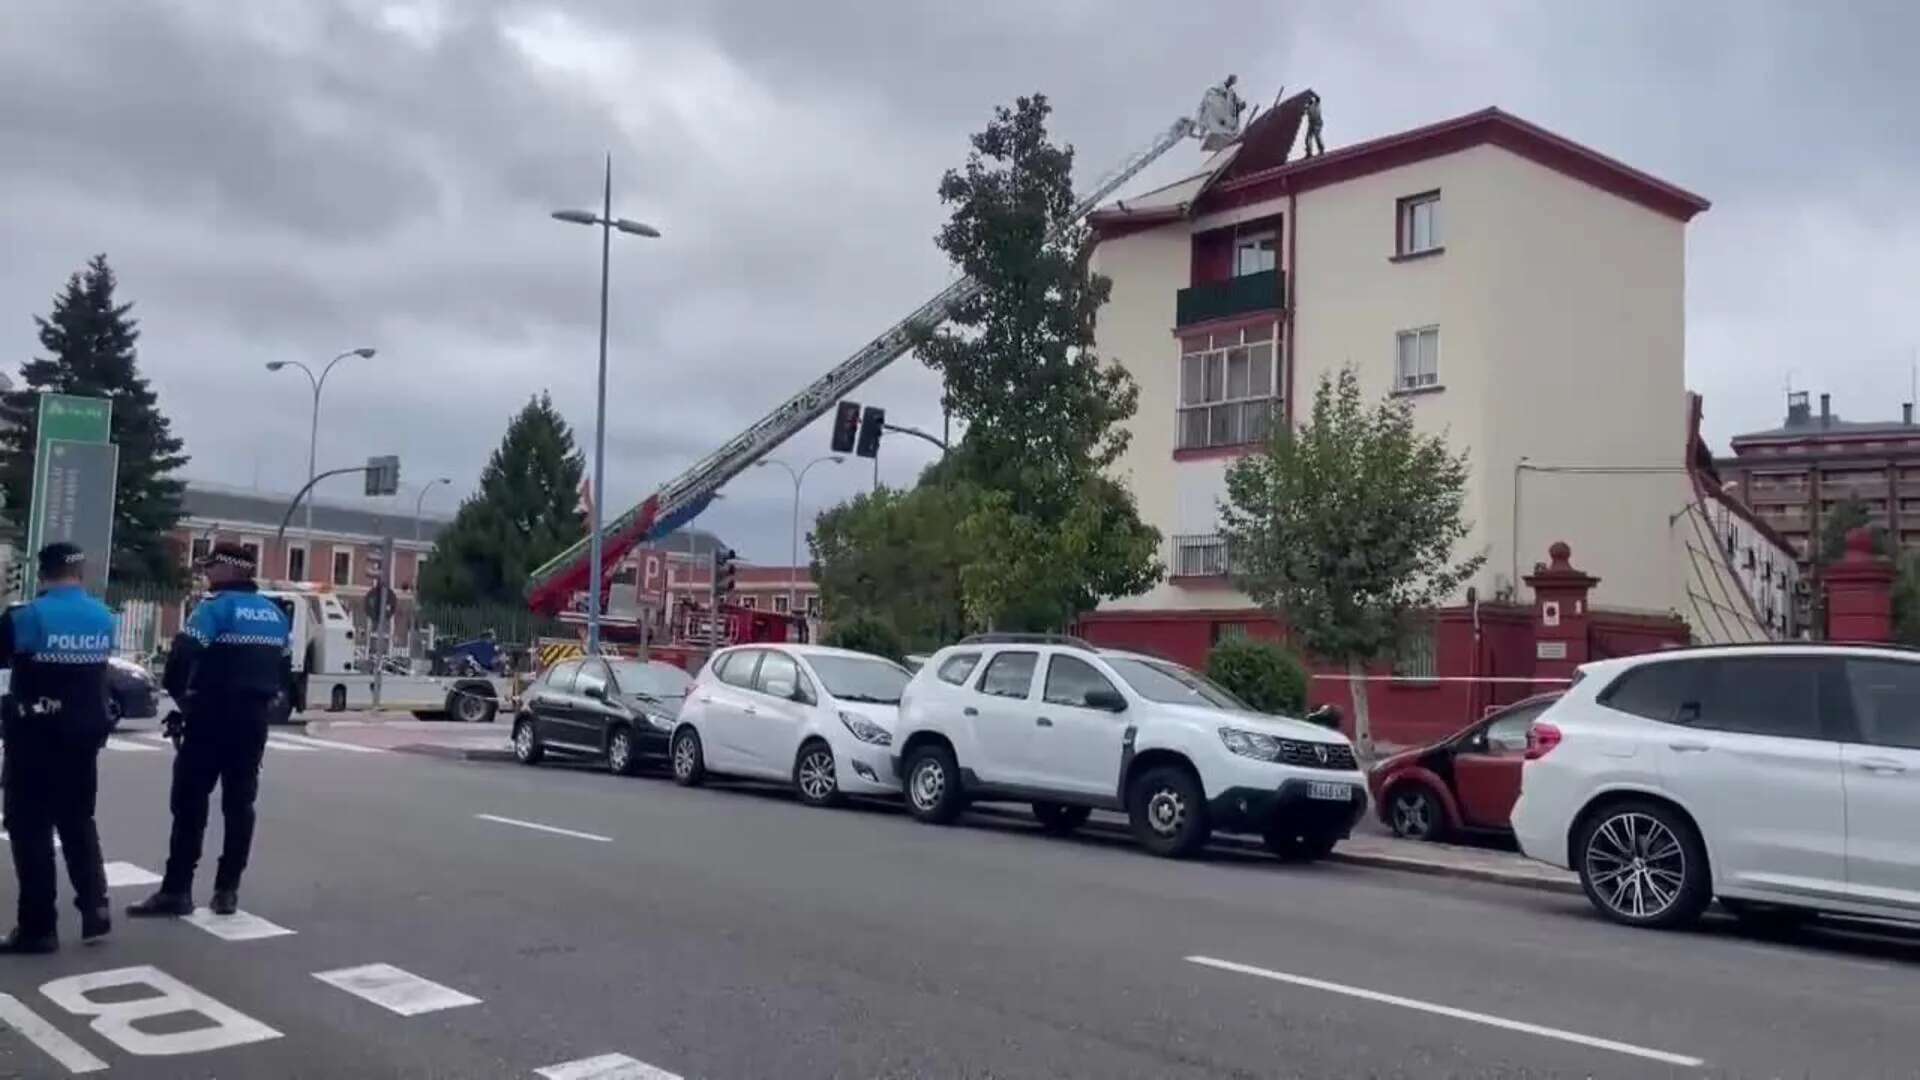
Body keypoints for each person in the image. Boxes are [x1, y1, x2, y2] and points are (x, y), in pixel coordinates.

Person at [129, 542, 291, 919]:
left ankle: (177, 890)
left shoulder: (215, 609)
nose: (206, 572)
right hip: (252, 723)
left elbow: (182, 655)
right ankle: (227, 891)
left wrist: (183, 698)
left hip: (210, 716)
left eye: (211, 566)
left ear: (230, 570)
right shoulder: (274, 615)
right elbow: (283, 671)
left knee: (189, 802)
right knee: (240, 804)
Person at [0, 542, 115, 953]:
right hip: (83, 738)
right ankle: (95, 909)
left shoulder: (28, 616)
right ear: (80, 573)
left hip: (34, 738)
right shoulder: (104, 618)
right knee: (79, 822)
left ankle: (38, 927)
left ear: (42, 573)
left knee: (30, 829)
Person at [1303, 91, 1326, 158]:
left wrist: (1311, 92)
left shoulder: (1316, 103)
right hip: (1311, 124)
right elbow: (1303, 112)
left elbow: (1318, 98)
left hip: (1317, 122)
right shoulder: (1308, 107)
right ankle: (1309, 152)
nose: (1308, 101)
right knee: (1308, 138)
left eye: (1309, 100)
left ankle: (1321, 150)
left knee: (1317, 135)